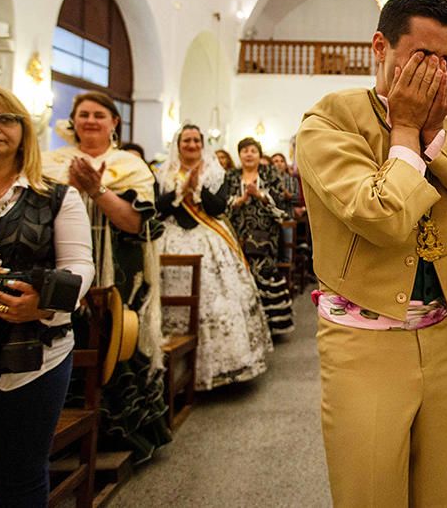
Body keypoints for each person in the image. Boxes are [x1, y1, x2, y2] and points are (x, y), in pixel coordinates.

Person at [296, 0, 447, 507]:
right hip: (363, 340)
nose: (436, 73)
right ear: (380, 46)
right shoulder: (329, 121)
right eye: (422, 57)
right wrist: (405, 129)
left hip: (440, 333)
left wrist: (436, 138)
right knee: (372, 493)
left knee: (440, 494)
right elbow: (383, 217)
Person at [0, 84, 95, 506]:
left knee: (23, 476)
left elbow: (80, 265)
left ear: (24, 130)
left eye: (5, 119)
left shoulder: (56, 195)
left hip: (36, 353)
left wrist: (43, 304)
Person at [42, 90, 171, 462]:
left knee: (117, 344)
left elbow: (136, 223)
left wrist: (96, 191)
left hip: (120, 271)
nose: (91, 121)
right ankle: (57, 435)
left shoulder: (130, 166)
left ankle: (123, 440)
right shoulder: (51, 163)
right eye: (83, 114)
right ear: (73, 120)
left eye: (99, 115)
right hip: (60, 269)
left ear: (114, 122)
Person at [156, 125, 272, 390]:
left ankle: (221, 367)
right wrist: (178, 191)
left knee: (215, 298)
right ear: (178, 144)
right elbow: (158, 208)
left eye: (196, 140)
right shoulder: (164, 173)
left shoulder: (215, 172)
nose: (192, 145)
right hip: (172, 239)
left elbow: (219, 207)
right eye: (187, 140)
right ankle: (175, 370)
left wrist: (198, 190)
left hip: (208, 238)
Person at [225, 137, 294, 336]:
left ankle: (271, 325)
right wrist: (240, 199)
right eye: (244, 150)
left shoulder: (269, 173)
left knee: (264, 271)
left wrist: (260, 195)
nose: (248, 154)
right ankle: (246, 325)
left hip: (265, 232)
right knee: (241, 273)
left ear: (259, 154)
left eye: (253, 150)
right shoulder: (231, 175)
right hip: (238, 230)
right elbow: (223, 201)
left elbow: (280, 199)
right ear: (239, 154)